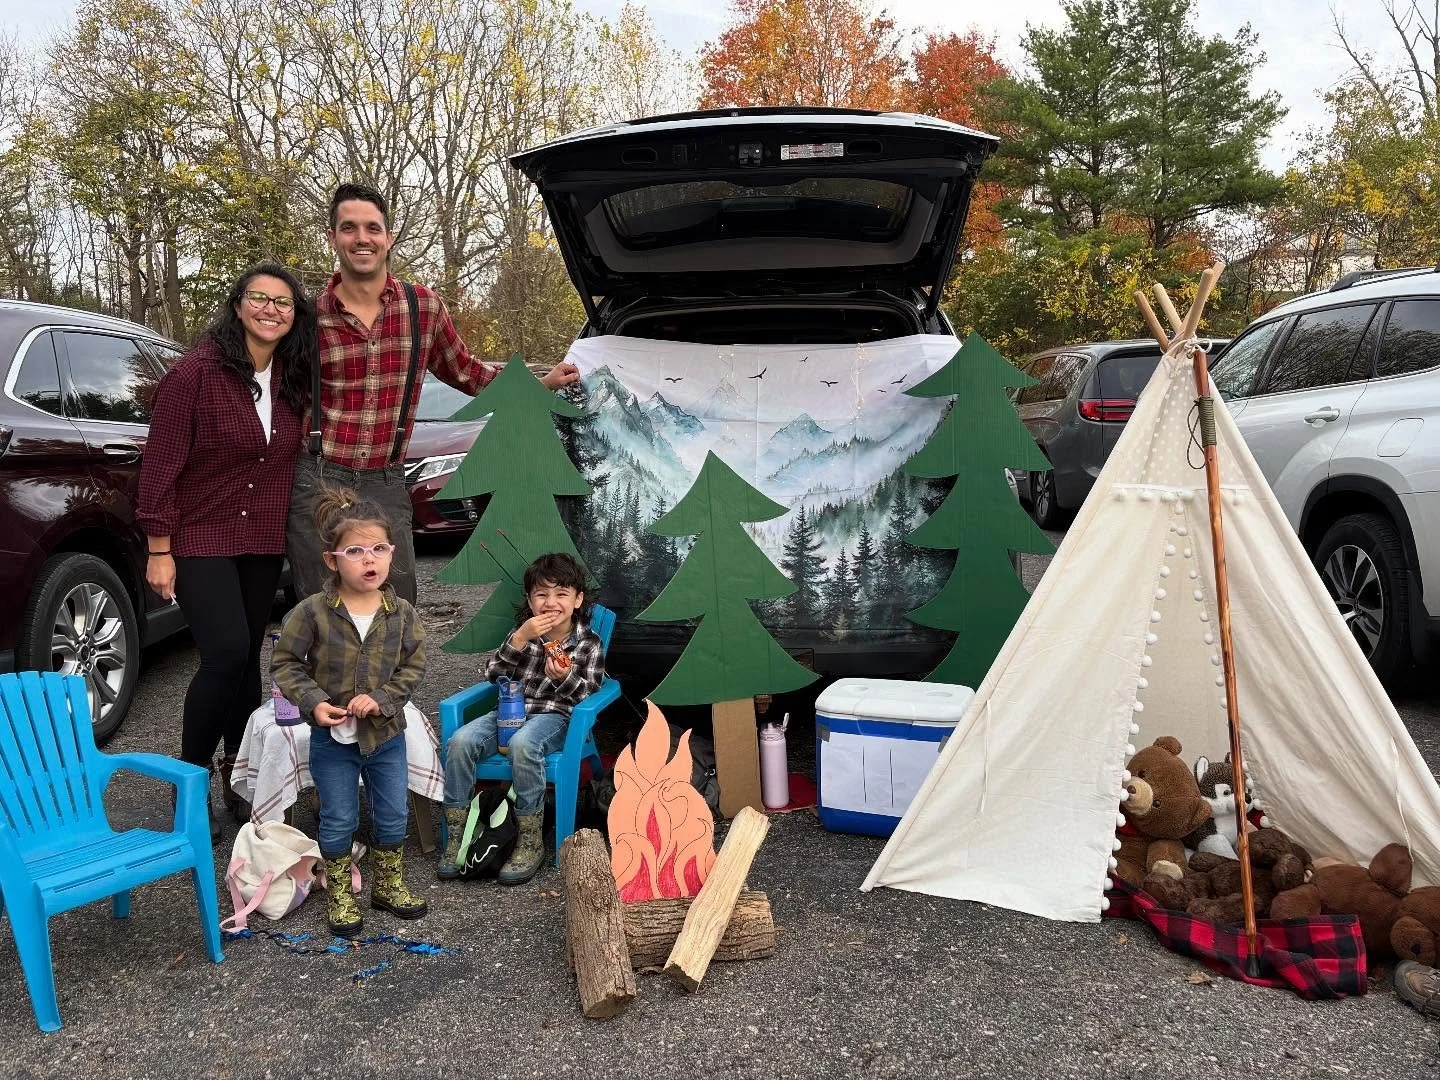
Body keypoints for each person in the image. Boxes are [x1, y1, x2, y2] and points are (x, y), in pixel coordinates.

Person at [287, 181, 581, 606]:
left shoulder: (421, 307)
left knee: (396, 605)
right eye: (349, 228)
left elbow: (466, 370)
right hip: (318, 478)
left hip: (386, 480)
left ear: (388, 237)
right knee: (320, 610)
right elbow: (275, 395)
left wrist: (538, 386)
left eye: (372, 228)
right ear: (333, 238)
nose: (361, 238)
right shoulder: (307, 317)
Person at [138, 263, 315, 842]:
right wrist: (159, 548)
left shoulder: (292, 379)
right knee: (225, 653)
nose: (271, 310)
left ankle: (239, 782)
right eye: (259, 299)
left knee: (245, 667)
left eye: (284, 303)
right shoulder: (196, 374)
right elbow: (160, 466)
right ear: (238, 305)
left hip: (261, 540)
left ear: (295, 316)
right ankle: (187, 791)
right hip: (199, 538)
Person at [272, 486, 428, 937]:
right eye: (356, 550)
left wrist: (383, 698)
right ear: (331, 560)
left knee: (392, 814)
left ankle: (389, 885)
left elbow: (414, 665)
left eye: (379, 548)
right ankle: (340, 891)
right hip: (333, 743)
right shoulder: (312, 613)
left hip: (386, 737)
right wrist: (314, 702)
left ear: (391, 553)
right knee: (338, 817)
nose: (369, 559)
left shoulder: (401, 614)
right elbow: (284, 662)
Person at [438, 552, 605, 885]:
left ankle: (530, 840)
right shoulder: (524, 635)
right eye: (542, 594)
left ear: (578, 599)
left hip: (557, 715)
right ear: (530, 601)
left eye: (561, 594)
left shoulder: (588, 643)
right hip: (508, 710)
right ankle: (458, 834)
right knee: (460, 741)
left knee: (523, 744)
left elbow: (588, 695)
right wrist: (518, 640)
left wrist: (562, 678)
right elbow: (493, 675)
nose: (551, 602)